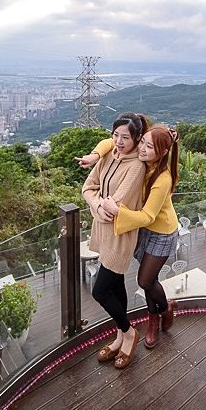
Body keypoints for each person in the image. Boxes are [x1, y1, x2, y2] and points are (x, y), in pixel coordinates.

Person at [89, 125, 180, 349]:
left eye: (150, 147)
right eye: (142, 143)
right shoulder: (141, 162)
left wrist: (118, 211)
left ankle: (160, 312)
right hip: (140, 228)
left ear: (162, 152)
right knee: (150, 281)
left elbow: (149, 216)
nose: (142, 149)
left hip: (161, 232)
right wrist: (96, 154)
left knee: (145, 280)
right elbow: (113, 141)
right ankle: (160, 311)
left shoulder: (162, 178)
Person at [82, 113, 147, 369]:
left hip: (120, 236)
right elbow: (88, 188)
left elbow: (115, 207)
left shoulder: (136, 166)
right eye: (115, 136)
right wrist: (98, 206)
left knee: (100, 290)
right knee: (116, 283)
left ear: (137, 138)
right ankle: (121, 335)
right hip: (102, 231)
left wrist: (99, 206)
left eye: (125, 137)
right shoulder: (108, 155)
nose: (119, 142)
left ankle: (129, 332)